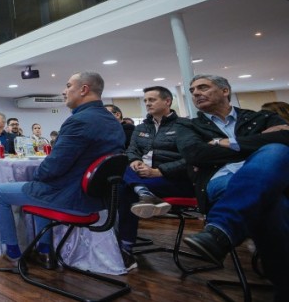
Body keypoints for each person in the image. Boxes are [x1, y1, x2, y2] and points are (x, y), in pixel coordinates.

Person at [0, 72, 125, 272]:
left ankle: (12, 256)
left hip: (72, 198)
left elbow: (54, 166)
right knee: (40, 187)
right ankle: (44, 252)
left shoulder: (79, 121)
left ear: (84, 89)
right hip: (98, 199)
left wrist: (36, 176)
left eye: (68, 86)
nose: (64, 91)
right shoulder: (112, 121)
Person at [175, 75, 289, 299]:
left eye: (203, 87)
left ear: (225, 91)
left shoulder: (261, 117)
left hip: (268, 180)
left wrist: (223, 143)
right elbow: (195, 154)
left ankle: (221, 230)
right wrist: (257, 145)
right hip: (220, 181)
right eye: (192, 90)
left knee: (276, 157)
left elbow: (285, 138)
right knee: (270, 168)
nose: (196, 93)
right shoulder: (188, 125)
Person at [116, 86, 194, 270]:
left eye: (152, 100)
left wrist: (160, 171)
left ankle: (125, 247)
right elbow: (131, 150)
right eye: (145, 100)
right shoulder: (141, 127)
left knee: (124, 189)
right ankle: (143, 192)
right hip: (144, 177)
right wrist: (135, 160)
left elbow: (192, 158)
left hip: (174, 179)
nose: (147, 103)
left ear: (167, 101)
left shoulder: (184, 126)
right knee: (120, 165)